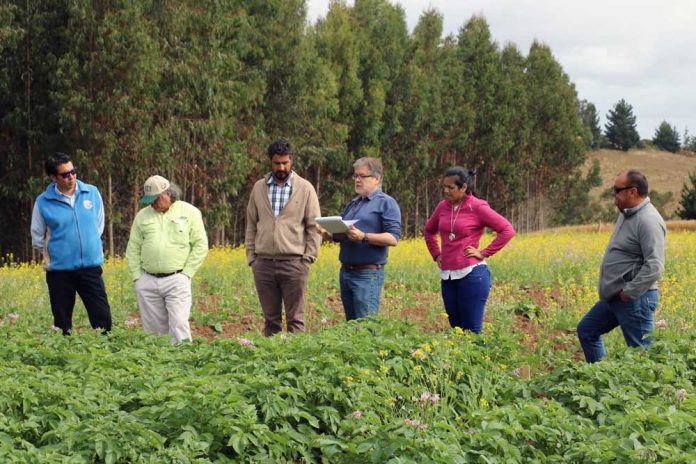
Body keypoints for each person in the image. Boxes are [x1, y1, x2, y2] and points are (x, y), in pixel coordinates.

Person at [577, 170, 666, 363]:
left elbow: (655, 265)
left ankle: (651, 392)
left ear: (632, 191)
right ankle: (600, 380)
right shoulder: (626, 214)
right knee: (587, 330)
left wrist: (629, 292)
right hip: (616, 297)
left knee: (642, 356)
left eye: (617, 190)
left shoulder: (648, 221)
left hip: (634, 299)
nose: (613, 196)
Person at [423, 167, 514, 333]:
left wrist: (484, 253)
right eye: (444, 186)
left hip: (472, 275)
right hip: (448, 276)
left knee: (471, 330)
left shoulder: (477, 207)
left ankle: (477, 359)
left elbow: (507, 230)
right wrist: (436, 254)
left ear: (463, 187)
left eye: (451, 188)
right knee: (456, 329)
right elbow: (428, 231)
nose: (446, 191)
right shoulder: (443, 207)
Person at [30, 152, 113, 335]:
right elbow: (37, 237)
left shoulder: (91, 192)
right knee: (62, 322)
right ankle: (64, 357)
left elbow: (98, 225)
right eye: (65, 174)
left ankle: (104, 353)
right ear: (53, 177)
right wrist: (58, 253)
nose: (71, 177)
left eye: (73, 172)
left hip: (90, 268)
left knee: (102, 317)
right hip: (60, 271)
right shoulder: (43, 202)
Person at [245, 139, 321, 336]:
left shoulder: (305, 188)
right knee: (271, 320)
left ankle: (296, 361)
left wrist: (308, 258)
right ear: (271, 162)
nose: (281, 167)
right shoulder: (259, 188)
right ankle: (272, 362)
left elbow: (314, 226)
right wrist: (252, 257)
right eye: (277, 163)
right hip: (264, 264)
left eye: (285, 163)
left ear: (291, 161)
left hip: (294, 263)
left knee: (296, 319)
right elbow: (252, 224)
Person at [126, 175, 208, 343]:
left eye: (155, 199)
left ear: (168, 193)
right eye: (149, 200)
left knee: (178, 324)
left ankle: (183, 363)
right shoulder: (142, 216)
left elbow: (200, 245)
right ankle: (158, 365)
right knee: (153, 331)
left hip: (177, 278)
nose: (152, 204)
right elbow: (133, 248)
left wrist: (187, 274)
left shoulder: (189, 212)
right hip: (147, 280)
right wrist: (137, 277)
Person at [318, 157, 401, 321]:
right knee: (351, 326)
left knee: (365, 327)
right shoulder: (354, 203)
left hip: (367, 274)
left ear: (376, 179)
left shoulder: (386, 203)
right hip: (346, 272)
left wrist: (364, 236)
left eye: (362, 176)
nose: (357, 180)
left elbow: (393, 238)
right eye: (355, 176)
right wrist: (327, 233)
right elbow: (342, 233)